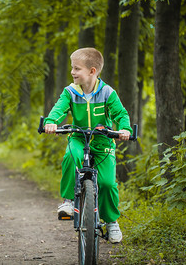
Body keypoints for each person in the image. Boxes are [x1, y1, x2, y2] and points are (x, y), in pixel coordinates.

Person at [43, 47, 132, 244]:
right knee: (70, 156)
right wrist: (51, 121)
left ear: (92, 71)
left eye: (76, 69)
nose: (72, 72)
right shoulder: (70, 92)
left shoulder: (107, 92)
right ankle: (68, 201)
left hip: (102, 140)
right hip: (78, 136)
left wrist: (124, 129)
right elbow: (59, 109)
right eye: (72, 68)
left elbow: (120, 114)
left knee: (108, 183)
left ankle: (111, 222)